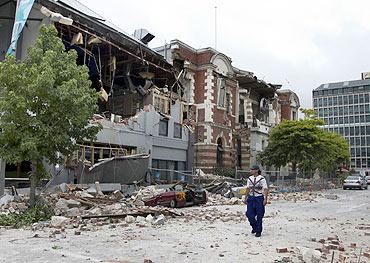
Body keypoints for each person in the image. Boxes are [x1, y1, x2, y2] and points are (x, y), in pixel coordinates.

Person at [244, 164, 268, 237]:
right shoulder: (249, 179)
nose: (250, 171)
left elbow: (266, 189)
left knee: (260, 215)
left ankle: (258, 231)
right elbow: (248, 188)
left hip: (259, 198)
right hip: (251, 198)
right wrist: (245, 197)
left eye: (252, 169)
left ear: (256, 170)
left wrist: (265, 199)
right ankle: (254, 227)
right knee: (249, 214)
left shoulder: (262, 179)